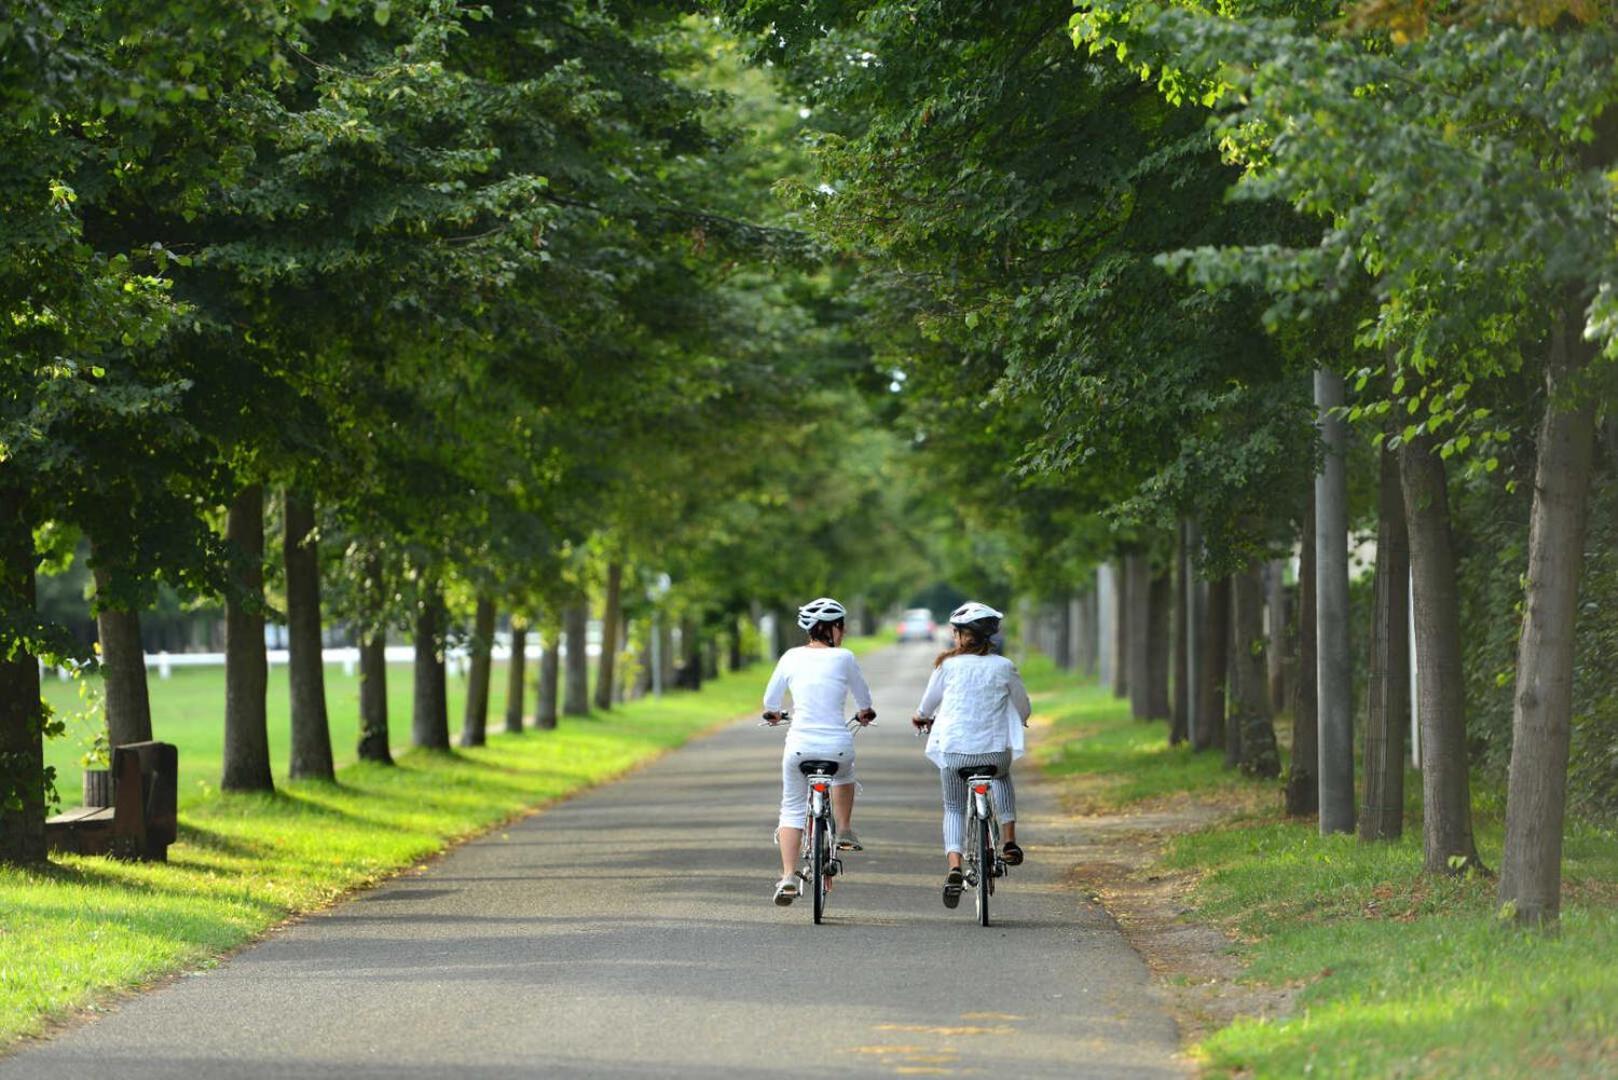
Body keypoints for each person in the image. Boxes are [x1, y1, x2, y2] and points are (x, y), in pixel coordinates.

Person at [911, 601, 1031, 908]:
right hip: (993, 753)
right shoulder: (1004, 667)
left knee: (953, 807)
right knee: (1002, 777)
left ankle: (954, 866)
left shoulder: (946, 666)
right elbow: (1023, 706)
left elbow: (926, 706)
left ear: (961, 635)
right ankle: (1009, 841)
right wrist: (1023, 718)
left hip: (955, 755)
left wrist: (921, 717)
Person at [761, 597, 877, 906]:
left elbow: (770, 702)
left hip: (799, 748)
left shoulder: (789, 657)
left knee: (791, 809)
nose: (845, 633)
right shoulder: (845, 658)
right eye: (842, 627)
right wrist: (865, 712)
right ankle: (845, 830)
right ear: (832, 629)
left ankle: (787, 876)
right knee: (845, 774)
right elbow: (864, 699)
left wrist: (774, 714)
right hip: (837, 748)